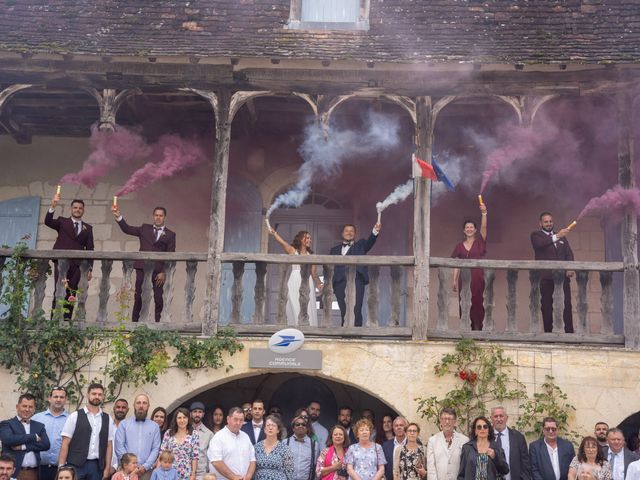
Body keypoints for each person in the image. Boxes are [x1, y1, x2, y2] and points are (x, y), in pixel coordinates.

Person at [112, 205, 176, 322]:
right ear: (153, 216)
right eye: (156, 215)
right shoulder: (144, 228)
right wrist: (118, 217)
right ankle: (135, 322)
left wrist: (163, 272)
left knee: (158, 298)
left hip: (158, 271)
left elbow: (170, 256)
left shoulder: (171, 235)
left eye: (161, 216)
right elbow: (127, 229)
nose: (158, 218)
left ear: (164, 217)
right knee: (139, 296)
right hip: (142, 268)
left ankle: (158, 322)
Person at [44, 193, 94, 319]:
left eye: (80, 208)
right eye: (75, 207)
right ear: (71, 209)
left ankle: (66, 322)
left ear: (83, 210)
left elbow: (90, 249)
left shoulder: (88, 228)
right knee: (59, 291)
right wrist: (53, 206)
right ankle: (54, 321)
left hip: (77, 265)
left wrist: (90, 269)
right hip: (62, 262)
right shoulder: (62, 222)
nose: (77, 210)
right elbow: (47, 222)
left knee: (71, 292)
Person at [59, 382, 115, 480]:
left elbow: (109, 445)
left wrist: (107, 468)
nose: (96, 396)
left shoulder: (107, 419)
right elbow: (65, 443)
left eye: (100, 394)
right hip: (75, 465)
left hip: (96, 467)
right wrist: (61, 467)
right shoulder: (75, 416)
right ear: (87, 395)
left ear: (103, 397)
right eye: (94, 394)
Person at [329, 222, 381, 327]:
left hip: (357, 280)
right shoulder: (334, 250)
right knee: (343, 310)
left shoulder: (361, 245)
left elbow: (370, 242)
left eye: (352, 231)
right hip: (340, 281)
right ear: (342, 234)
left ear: (355, 234)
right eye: (347, 231)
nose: (349, 233)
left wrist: (375, 231)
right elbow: (330, 268)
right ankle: (345, 335)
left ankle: (357, 335)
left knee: (356, 309)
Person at [530, 212, 574, 333]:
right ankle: (549, 334)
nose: (549, 224)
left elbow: (569, 253)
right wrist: (557, 236)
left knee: (566, 305)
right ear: (540, 223)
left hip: (562, 278)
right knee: (547, 306)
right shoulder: (536, 235)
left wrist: (570, 267)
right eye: (546, 222)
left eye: (550, 221)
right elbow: (540, 245)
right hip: (546, 278)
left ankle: (569, 334)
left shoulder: (561, 237)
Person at [268, 228, 322, 326]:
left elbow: (314, 273)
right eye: (307, 238)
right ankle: (294, 327)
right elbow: (283, 243)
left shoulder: (311, 255)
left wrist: (319, 284)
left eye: (310, 238)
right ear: (301, 239)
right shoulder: (293, 251)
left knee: (307, 305)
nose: (310, 240)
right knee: (294, 304)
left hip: (307, 281)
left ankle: (308, 328)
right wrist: (275, 234)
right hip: (294, 280)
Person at [451, 203, 487, 330]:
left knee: (477, 302)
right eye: (467, 227)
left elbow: (484, 227)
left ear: (475, 230)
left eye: (472, 227)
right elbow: (456, 263)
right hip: (464, 280)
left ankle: (478, 328)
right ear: (464, 230)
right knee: (465, 302)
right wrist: (454, 280)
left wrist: (484, 213)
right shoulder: (459, 246)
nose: (469, 229)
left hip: (478, 277)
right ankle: (466, 329)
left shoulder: (479, 243)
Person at [0, 393, 51, 480]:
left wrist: (23, 446)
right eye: (24, 406)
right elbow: (8, 439)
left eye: (30, 407)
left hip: (33, 473)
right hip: (13, 473)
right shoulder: (6, 424)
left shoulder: (39, 426)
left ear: (34, 409)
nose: (27, 409)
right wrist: (33, 437)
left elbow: (46, 444)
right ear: (17, 407)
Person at [114, 394, 161, 480]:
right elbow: (119, 447)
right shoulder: (124, 424)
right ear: (134, 405)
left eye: (144, 403)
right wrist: (130, 465)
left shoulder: (155, 426)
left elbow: (155, 448)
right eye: (138, 403)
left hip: (146, 473)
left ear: (148, 406)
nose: (141, 406)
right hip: (125, 472)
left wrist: (145, 466)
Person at [207, 407, 256, 480]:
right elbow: (216, 462)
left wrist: (248, 476)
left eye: (241, 420)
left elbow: (252, 459)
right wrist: (234, 477)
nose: (238, 423)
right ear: (228, 419)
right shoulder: (218, 437)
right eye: (235, 419)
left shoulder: (245, 437)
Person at [33, 387, 70, 480]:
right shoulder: (36, 418)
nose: (58, 399)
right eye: (55, 396)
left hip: (61, 471)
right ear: (49, 398)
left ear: (66, 399)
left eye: (62, 397)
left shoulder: (71, 420)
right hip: (39, 469)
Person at [490, 406, 531, 480]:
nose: (499, 419)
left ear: (506, 418)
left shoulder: (518, 437)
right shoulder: (487, 437)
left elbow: (525, 463)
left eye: (501, 416)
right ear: (491, 418)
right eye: (495, 416)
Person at [426, 408, 468, 480]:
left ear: (455, 421)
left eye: (450, 419)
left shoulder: (464, 440)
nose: (447, 421)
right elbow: (431, 468)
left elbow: (466, 466)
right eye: (444, 419)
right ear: (440, 421)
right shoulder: (432, 441)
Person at [160, 408, 199, 480]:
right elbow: (162, 453)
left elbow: (195, 456)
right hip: (168, 473)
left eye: (184, 417)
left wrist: (193, 474)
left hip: (186, 473)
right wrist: (159, 472)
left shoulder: (194, 434)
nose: (182, 420)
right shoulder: (169, 433)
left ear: (188, 419)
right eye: (179, 418)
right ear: (175, 419)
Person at [254, 415, 293, 480]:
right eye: (268, 425)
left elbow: (290, 473)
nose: (270, 428)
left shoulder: (285, 449)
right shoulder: (256, 447)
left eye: (273, 425)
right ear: (264, 429)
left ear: (278, 430)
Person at [287, 415, 319, 480]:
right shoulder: (285, 443)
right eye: (297, 424)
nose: (300, 426)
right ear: (293, 428)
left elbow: (316, 466)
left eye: (303, 424)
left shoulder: (314, 444)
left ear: (307, 428)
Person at [189, 402, 213, 480]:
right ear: (190, 414)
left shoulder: (209, 434)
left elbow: (211, 457)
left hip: (201, 474)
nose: (197, 414)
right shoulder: (184, 431)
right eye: (195, 411)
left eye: (200, 412)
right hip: (185, 471)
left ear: (203, 414)